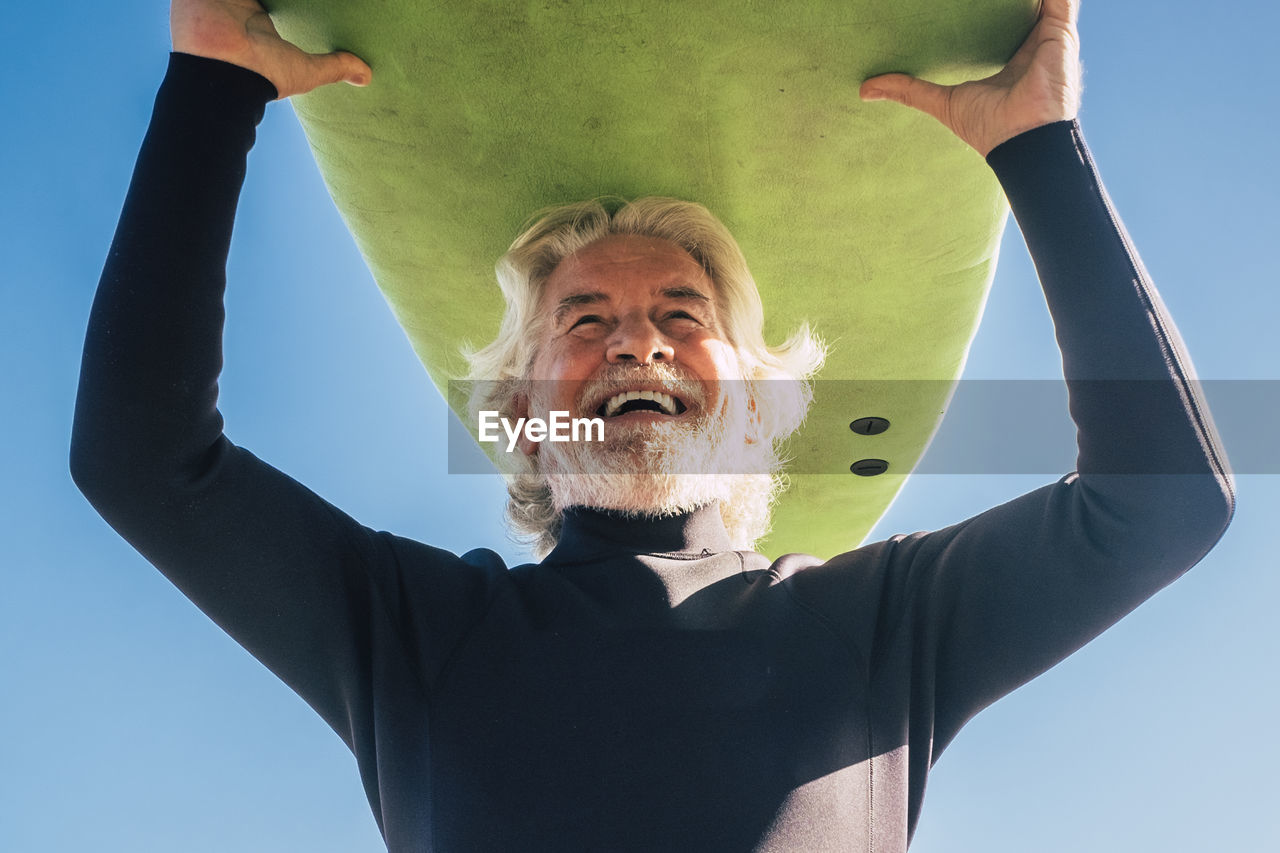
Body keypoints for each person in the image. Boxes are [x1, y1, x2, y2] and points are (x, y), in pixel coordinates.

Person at [71, 0, 1234, 850]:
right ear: (522, 413)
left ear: (758, 402)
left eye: (683, 313)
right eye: (583, 320)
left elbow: (1164, 497)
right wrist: (210, 89)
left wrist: (1036, 144)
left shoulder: (880, 629)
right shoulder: (414, 639)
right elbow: (142, 459)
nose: (636, 341)